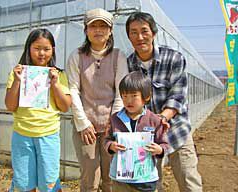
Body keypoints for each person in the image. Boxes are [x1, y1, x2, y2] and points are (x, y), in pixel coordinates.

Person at [125, 12, 203, 192]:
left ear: (153, 33)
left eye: (144, 31)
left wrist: (160, 119)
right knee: (150, 185)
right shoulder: (129, 64)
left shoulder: (173, 58)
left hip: (176, 131)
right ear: (129, 36)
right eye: (133, 32)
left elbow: (177, 97)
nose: (140, 37)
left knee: (188, 181)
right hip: (147, 137)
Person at [66, 8, 128, 192]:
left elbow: (121, 92)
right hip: (86, 128)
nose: (98, 30)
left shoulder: (118, 56)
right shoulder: (77, 56)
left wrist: (114, 123)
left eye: (103, 26)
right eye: (93, 26)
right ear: (86, 30)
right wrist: (83, 123)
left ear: (110, 31)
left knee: (111, 178)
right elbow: (73, 90)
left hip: (112, 126)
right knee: (89, 178)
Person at [5, 28, 71, 192]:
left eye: (46, 49)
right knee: (23, 182)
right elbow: (10, 106)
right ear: (29, 48)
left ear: (53, 50)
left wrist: (55, 84)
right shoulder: (18, 74)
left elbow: (65, 106)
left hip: (48, 136)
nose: (41, 53)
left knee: (49, 182)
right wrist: (18, 81)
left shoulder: (59, 75)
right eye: (36, 48)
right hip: (22, 135)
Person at [103, 71, 169, 192]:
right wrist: (111, 146)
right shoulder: (115, 119)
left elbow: (164, 144)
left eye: (134, 96)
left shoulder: (154, 120)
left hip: (146, 179)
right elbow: (107, 140)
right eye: (125, 96)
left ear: (146, 97)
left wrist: (159, 150)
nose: (129, 101)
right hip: (121, 179)